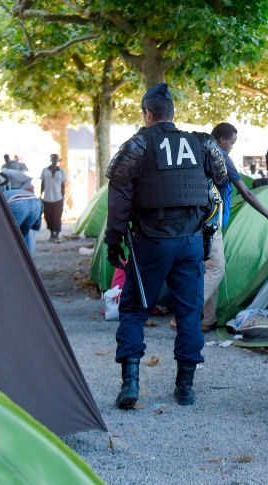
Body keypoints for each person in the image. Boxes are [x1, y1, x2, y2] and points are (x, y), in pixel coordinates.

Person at [104, 82, 228, 410]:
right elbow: (221, 177)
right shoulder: (201, 143)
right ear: (172, 114)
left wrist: (113, 241)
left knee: (133, 309)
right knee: (189, 312)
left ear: (147, 114)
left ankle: (130, 384)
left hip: (152, 242)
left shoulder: (139, 145)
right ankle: (185, 387)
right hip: (190, 241)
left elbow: (118, 196)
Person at [169, 122, 268, 332]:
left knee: (207, 268)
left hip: (192, 223)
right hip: (211, 224)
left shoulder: (196, 156)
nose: (232, 146)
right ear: (222, 140)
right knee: (217, 268)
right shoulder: (221, 156)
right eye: (232, 142)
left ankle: (208, 319)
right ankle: (183, 315)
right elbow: (247, 193)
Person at [0, 175, 43, 255]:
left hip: (18, 204)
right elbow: (40, 205)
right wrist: (37, 224)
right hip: (36, 203)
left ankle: (10, 256)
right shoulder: (10, 191)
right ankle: (25, 258)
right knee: (22, 236)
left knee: (10, 233)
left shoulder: (0, 198)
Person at [40, 154, 66, 243]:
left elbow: (63, 185)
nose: (54, 160)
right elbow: (42, 183)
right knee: (48, 216)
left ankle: (57, 234)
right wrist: (40, 195)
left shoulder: (61, 171)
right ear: (50, 159)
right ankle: (51, 233)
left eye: (56, 158)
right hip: (47, 198)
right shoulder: (45, 170)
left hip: (58, 198)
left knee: (57, 216)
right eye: (53, 158)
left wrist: (63, 197)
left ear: (58, 160)